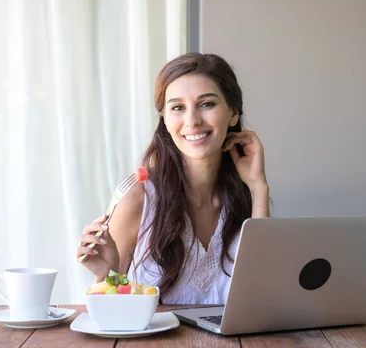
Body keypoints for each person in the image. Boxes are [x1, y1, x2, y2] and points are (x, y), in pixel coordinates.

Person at [75, 53, 269, 304]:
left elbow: (262, 298)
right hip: (151, 345)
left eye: (207, 104)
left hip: (235, 345)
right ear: (165, 120)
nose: (192, 121)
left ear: (232, 113)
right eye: (178, 107)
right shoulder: (138, 198)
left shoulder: (245, 197)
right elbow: (111, 307)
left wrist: (258, 187)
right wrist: (104, 275)